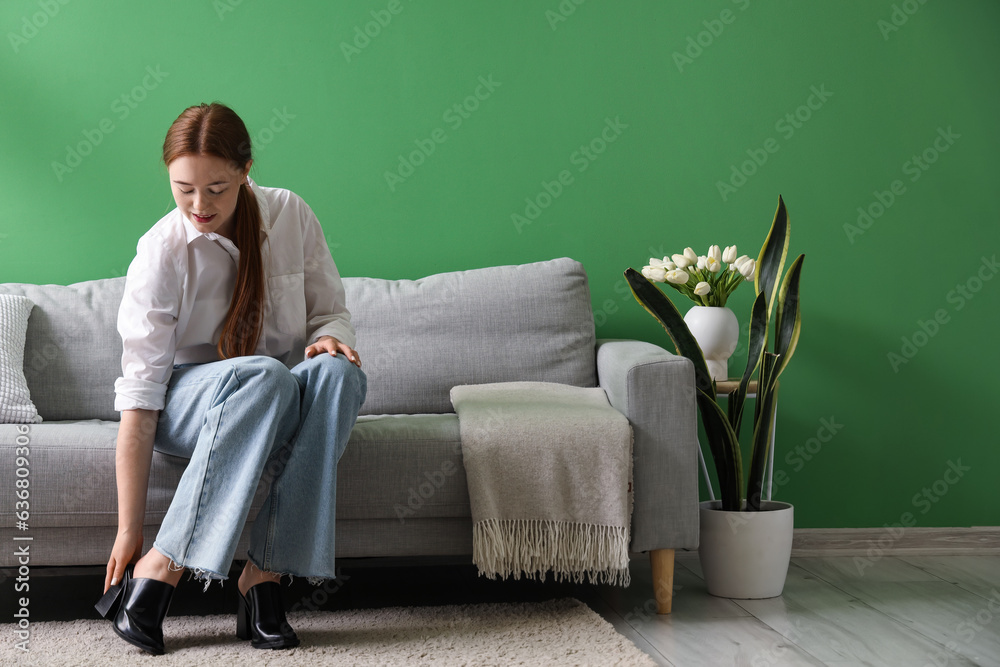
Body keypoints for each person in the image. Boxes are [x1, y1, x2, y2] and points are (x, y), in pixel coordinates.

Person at [94, 102, 367, 655]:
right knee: (267, 376)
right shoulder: (161, 252)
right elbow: (142, 402)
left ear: (245, 171)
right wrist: (130, 530)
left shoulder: (290, 214)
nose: (200, 205)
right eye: (183, 188)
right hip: (190, 403)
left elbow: (329, 311)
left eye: (216, 188)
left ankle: (262, 573)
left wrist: (331, 336)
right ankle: (162, 563)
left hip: (274, 394)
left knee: (339, 376)